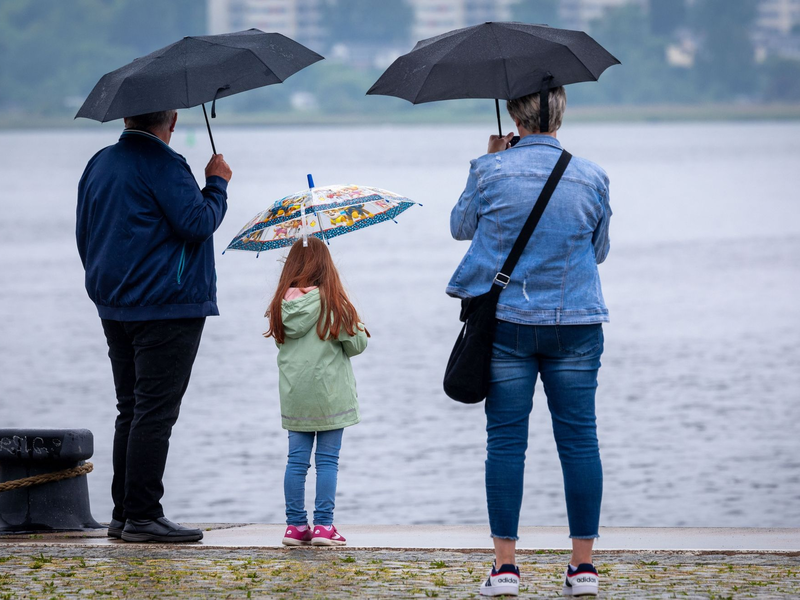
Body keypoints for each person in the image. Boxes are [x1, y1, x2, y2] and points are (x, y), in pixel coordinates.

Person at [447, 87, 611, 597]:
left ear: (516, 116)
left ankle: (505, 570)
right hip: (577, 323)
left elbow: (460, 227)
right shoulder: (592, 176)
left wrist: (493, 160)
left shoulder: (488, 169)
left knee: (506, 443)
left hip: (510, 324)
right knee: (580, 441)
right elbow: (599, 250)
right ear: (560, 115)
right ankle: (582, 569)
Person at [76, 109, 233, 543]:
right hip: (168, 306)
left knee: (131, 407)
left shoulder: (99, 163)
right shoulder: (166, 163)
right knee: (154, 412)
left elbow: (84, 235)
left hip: (115, 305)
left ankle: (124, 515)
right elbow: (198, 223)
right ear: (174, 119)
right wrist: (216, 184)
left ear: (125, 115)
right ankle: (144, 515)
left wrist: (104, 287)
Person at [264, 237, 368, 547]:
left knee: (296, 461)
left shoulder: (280, 306)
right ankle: (324, 526)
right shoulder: (332, 303)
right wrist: (354, 320)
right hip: (330, 396)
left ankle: (295, 527)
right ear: (326, 267)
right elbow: (357, 345)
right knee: (327, 461)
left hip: (296, 395)